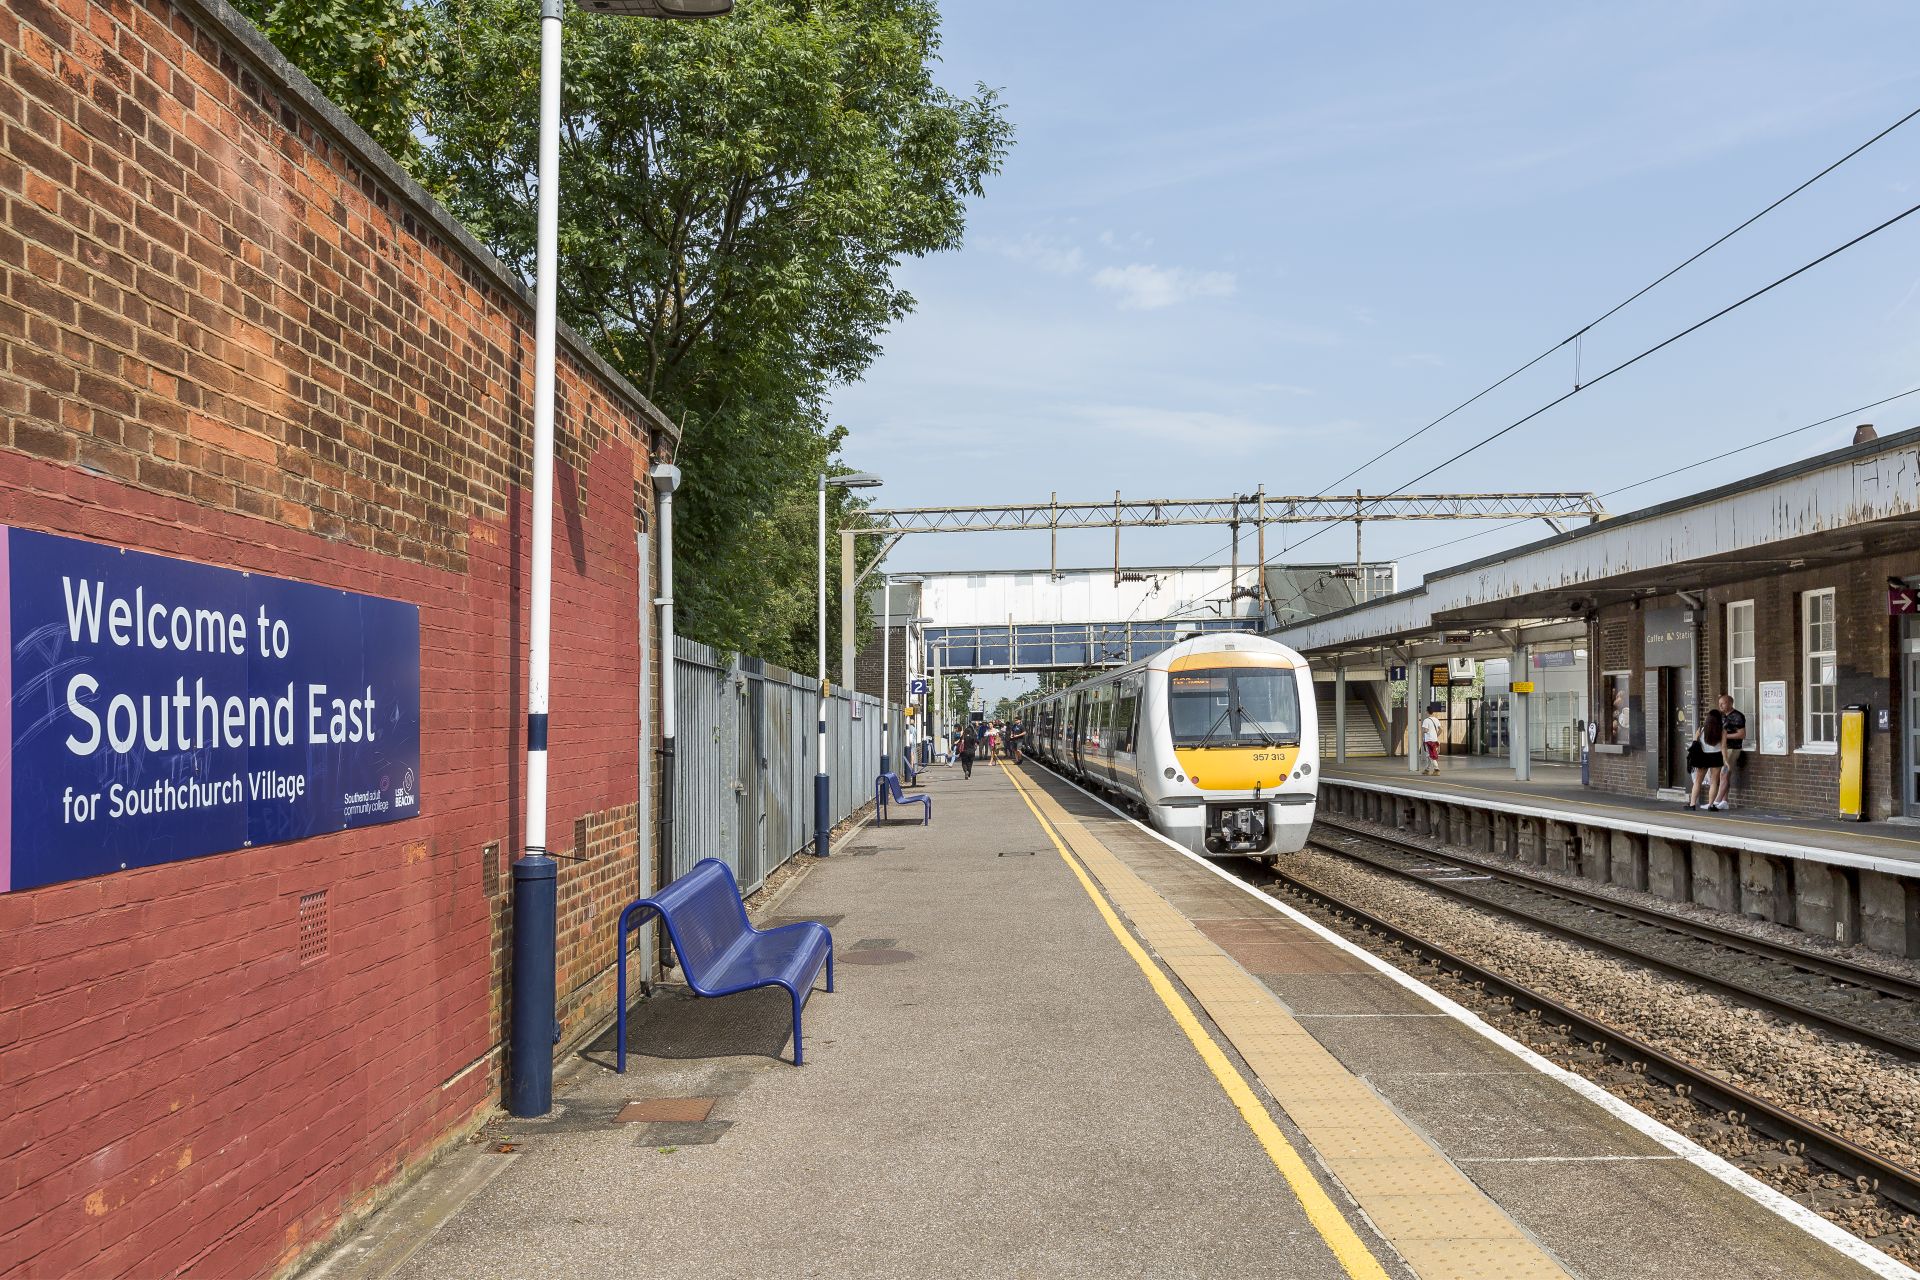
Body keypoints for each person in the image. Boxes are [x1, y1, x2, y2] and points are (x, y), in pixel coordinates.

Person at [1685, 707, 1725, 810]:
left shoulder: (1702, 729)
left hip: (1703, 756)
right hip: (1716, 756)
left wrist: (1696, 737)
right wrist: (1726, 760)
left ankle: (1692, 804)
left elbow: (1695, 742)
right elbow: (1723, 747)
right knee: (1714, 781)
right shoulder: (1722, 731)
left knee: (1698, 780)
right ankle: (1711, 805)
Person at [1711, 693, 1745, 810]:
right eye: (1719, 703)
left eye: (1723, 703)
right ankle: (1724, 801)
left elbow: (1742, 734)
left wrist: (1725, 736)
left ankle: (1716, 802)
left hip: (1732, 749)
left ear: (1730, 703)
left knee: (1724, 774)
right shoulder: (1720, 716)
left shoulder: (1738, 716)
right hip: (1722, 748)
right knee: (1723, 776)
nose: (1720, 705)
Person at [1419, 705, 1442, 775]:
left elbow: (1425, 730)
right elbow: (1441, 730)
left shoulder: (1426, 720)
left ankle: (1436, 769)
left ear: (1427, 712)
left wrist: (1424, 731)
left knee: (1430, 755)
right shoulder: (1436, 719)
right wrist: (1436, 735)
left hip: (1429, 740)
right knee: (1429, 755)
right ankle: (1427, 769)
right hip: (1434, 740)